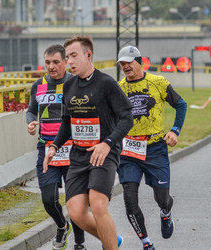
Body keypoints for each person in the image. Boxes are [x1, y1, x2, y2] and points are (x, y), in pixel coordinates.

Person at [43, 36, 134, 250]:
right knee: (76, 212)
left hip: (104, 153)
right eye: (67, 57)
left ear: (88, 55)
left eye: (73, 56)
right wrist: (54, 146)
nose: (69, 61)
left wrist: (108, 143)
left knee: (98, 203)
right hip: (79, 155)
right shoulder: (69, 86)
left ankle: (110, 245)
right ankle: (112, 239)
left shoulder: (106, 83)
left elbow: (127, 117)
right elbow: (67, 121)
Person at [116, 46, 187, 250]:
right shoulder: (119, 88)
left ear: (140, 62)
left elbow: (181, 105)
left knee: (162, 198)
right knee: (129, 199)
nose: (125, 66)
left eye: (129, 62)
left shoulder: (158, 82)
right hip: (129, 150)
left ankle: (165, 212)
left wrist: (174, 130)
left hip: (155, 148)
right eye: (122, 63)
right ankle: (147, 243)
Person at [26, 44, 86, 250]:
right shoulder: (38, 85)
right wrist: (31, 122)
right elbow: (31, 111)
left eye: (56, 62)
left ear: (65, 62)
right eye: (47, 62)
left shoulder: (76, 83)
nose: (51, 67)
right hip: (46, 150)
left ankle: (79, 243)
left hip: (73, 150)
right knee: (48, 200)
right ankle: (62, 225)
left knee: (74, 203)